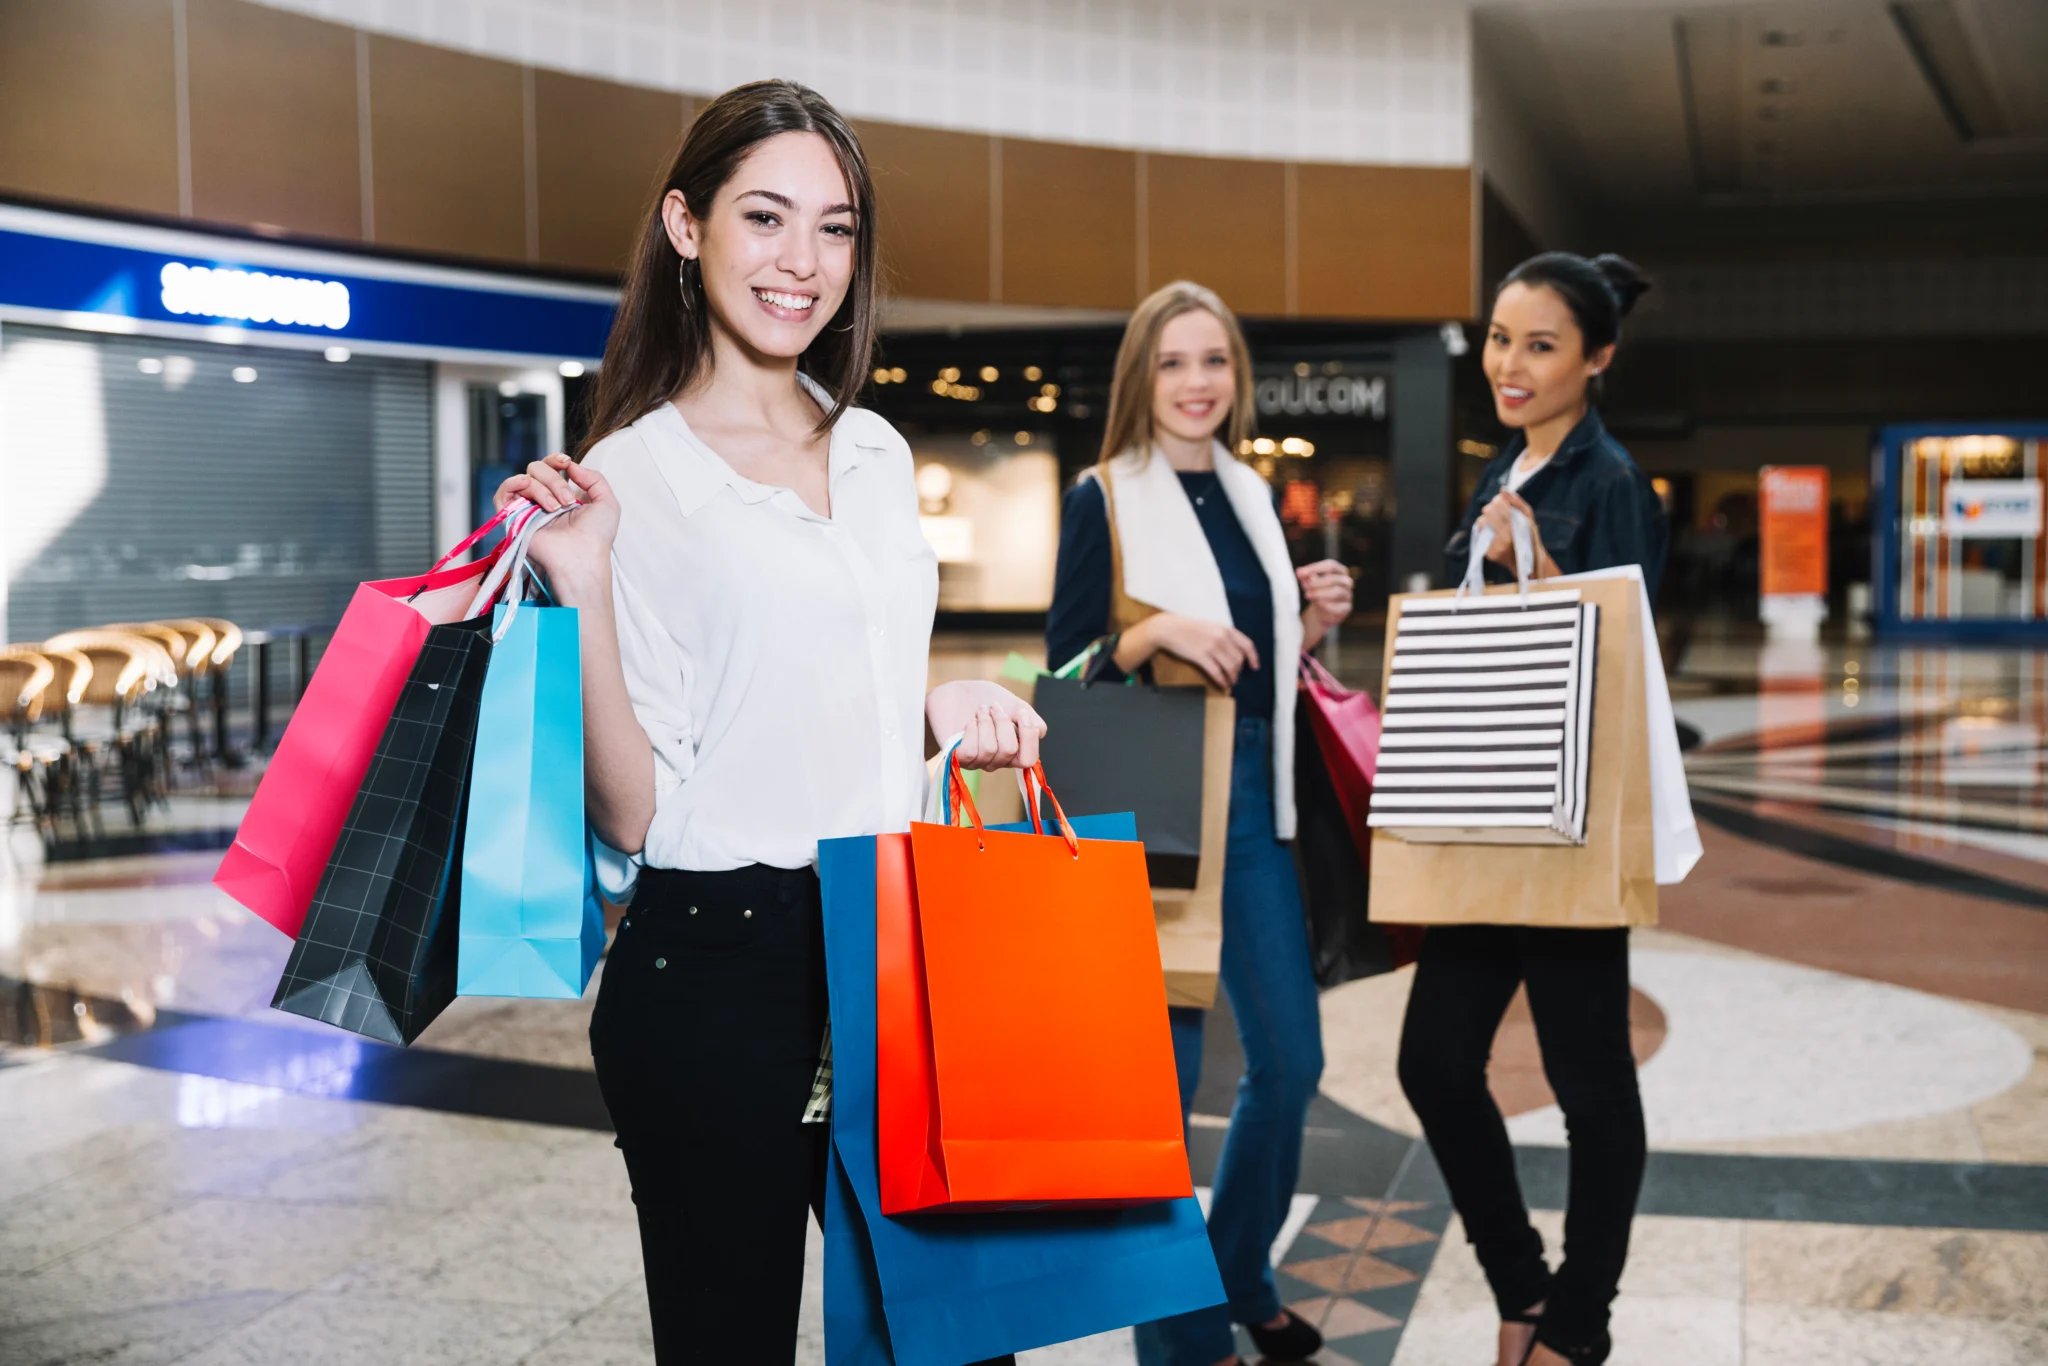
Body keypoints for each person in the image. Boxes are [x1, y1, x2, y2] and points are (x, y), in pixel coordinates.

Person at [491, 80, 1038, 1366]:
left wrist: (935, 703)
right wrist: (579, 584)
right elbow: (635, 810)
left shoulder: (878, 452)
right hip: (714, 959)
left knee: (953, 1343)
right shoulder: (627, 475)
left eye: (836, 229)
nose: (803, 263)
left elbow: (823, 684)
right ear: (686, 226)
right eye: (766, 217)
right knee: (730, 1341)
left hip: (892, 939)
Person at [1045, 280, 1354, 1366]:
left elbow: (1265, 673)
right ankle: (1180, 1340)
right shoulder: (1103, 497)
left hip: (1255, 819)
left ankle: (1235, 1272)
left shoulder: (1253, 495)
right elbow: (1064, 672)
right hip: (1159, 831)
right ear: (1142, 376)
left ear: (1236, 376)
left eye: (1212, 361)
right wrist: (1150, 630)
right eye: (1172, 362)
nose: (1194, 383)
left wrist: (1307, 622)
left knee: (1290, 1062)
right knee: (1162, 1103)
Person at [1396, 251, 1666, 1366]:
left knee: (1588, 1083)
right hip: (1485, 815)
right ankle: (1524, 1289)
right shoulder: (1503, 466)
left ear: (1596, 359)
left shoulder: (1607, 482)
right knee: (1432, 1062)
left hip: (1565, 829)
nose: (1508, 363)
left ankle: (1577, 1323)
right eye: (1499, 338)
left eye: (1539, 344)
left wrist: (1540, 566)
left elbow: (1626, 659)